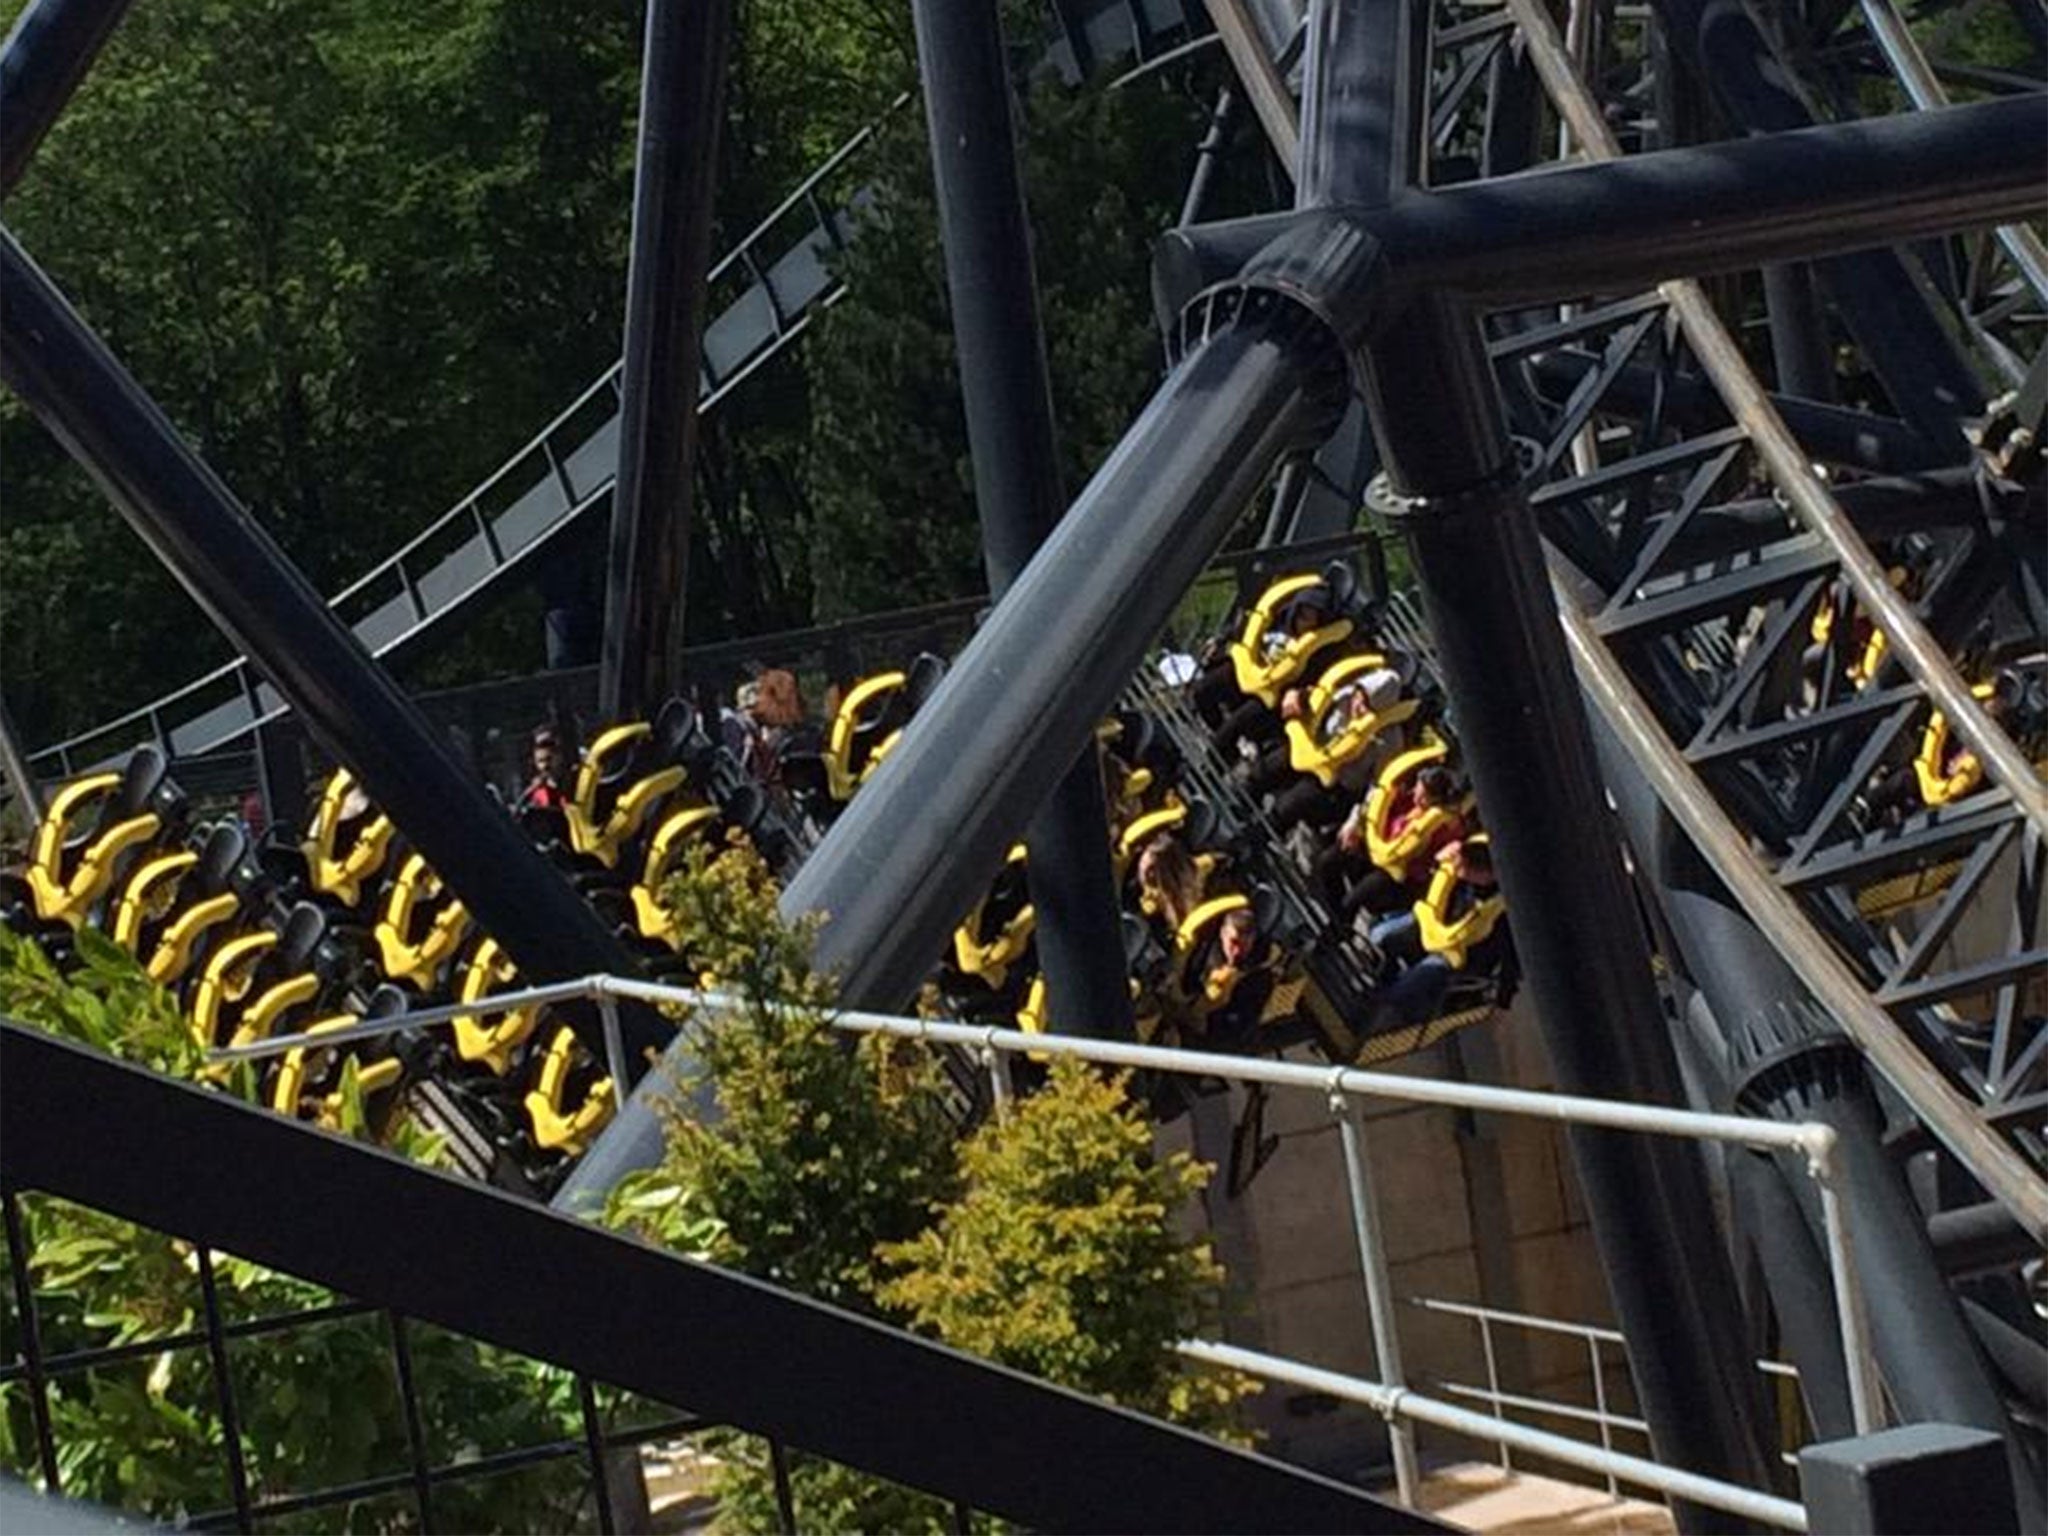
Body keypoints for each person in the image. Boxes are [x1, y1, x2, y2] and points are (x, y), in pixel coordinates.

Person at [1366, 838, 1509, 1027]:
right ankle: (1385, 976)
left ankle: (1393, 1010)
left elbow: (1499, 952)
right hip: (1431, 926)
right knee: (1380, 936)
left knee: (1401, 991)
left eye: (1462, 868)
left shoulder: (1497, 911)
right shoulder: (1462, 880)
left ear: (1482, 874)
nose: (1456, 871)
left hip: (1455, 953)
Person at [515, 726, 569, 814]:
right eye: (540, 761)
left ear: (560, 757)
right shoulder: (536, 791)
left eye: (549, 759)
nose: (545, 766)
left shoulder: (573, 782)